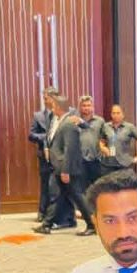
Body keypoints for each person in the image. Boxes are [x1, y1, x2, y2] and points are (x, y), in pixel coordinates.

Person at [35, 95, 95, 236]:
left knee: (78, 196)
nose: (52, 109)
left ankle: (92, 225)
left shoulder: (69, 124)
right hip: (59, 166)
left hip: (67, 168)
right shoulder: (58, 121)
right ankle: (46, 225)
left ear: (59, 108)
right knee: (55, 196)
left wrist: (65, 170)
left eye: (53, 106)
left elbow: (70, 149)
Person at [29, 87, 73, 226]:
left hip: (61, 157)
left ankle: (64, 217)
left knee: (62, 187)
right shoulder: (38, 116)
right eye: (44, 98)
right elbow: (31, 135)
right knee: (46, 186)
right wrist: (46, 137)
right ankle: (42, 213)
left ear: (54, 98)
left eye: (46, 98)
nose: (44, 100)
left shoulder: (68, 112)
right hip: (45, 156)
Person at [99, 104, 137, 177]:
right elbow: (101, 141)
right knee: (109, 184)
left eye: (118, 113)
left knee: (125, 183)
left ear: (123, 115)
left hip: (124, 164)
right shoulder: (106, 126)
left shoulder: (130, 127)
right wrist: (103, 148)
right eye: (113, 113)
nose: (116, 115)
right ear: (111, 114)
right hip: (108, 164)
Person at [75, 95, 106, 193]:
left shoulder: (100, 121)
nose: (86, 108)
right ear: (80, 107)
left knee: (97, 189)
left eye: (89, 105)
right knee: (81, 190)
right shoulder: (74, 120)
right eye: (84, 105)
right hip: (79, 160)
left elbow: (104, 138)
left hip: (95, 160)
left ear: (92, 107)